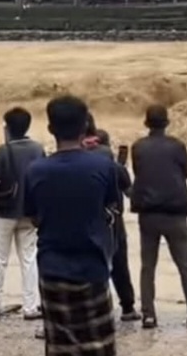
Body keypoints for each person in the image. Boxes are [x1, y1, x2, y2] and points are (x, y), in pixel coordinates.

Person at [24, 96, 119, 356]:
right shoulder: (103, 166)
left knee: (60, 346)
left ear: (51, 128)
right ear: (85, 127)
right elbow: (111, 208)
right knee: (99, 345)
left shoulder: (35, 170)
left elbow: (32, 217)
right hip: (93, 266)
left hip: (53, 269)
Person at [131, 105, 187, 331]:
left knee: (147, 267)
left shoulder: (138, 147)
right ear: (167, 122)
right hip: (176, 212)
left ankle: (149, 316)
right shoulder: (178, 146)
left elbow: (139, 172)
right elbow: (185, 172)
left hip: (148, 213)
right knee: (185, 265)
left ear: (146, 123)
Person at [0, 107, 46, 321]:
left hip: (4, 212)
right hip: (30, 214)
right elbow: (43, 182)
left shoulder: (2, 150)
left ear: (8, 127)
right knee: (29, 260)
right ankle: (31, 307)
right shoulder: (38, 149)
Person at [97, 129, 140, 322]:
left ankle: (99, 308)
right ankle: (128, 307)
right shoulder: (115, 167)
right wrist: (123, 169)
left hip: (92, 222)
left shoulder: (86, 165)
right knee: (120, 266)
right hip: (115, 222)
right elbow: (131, 194)